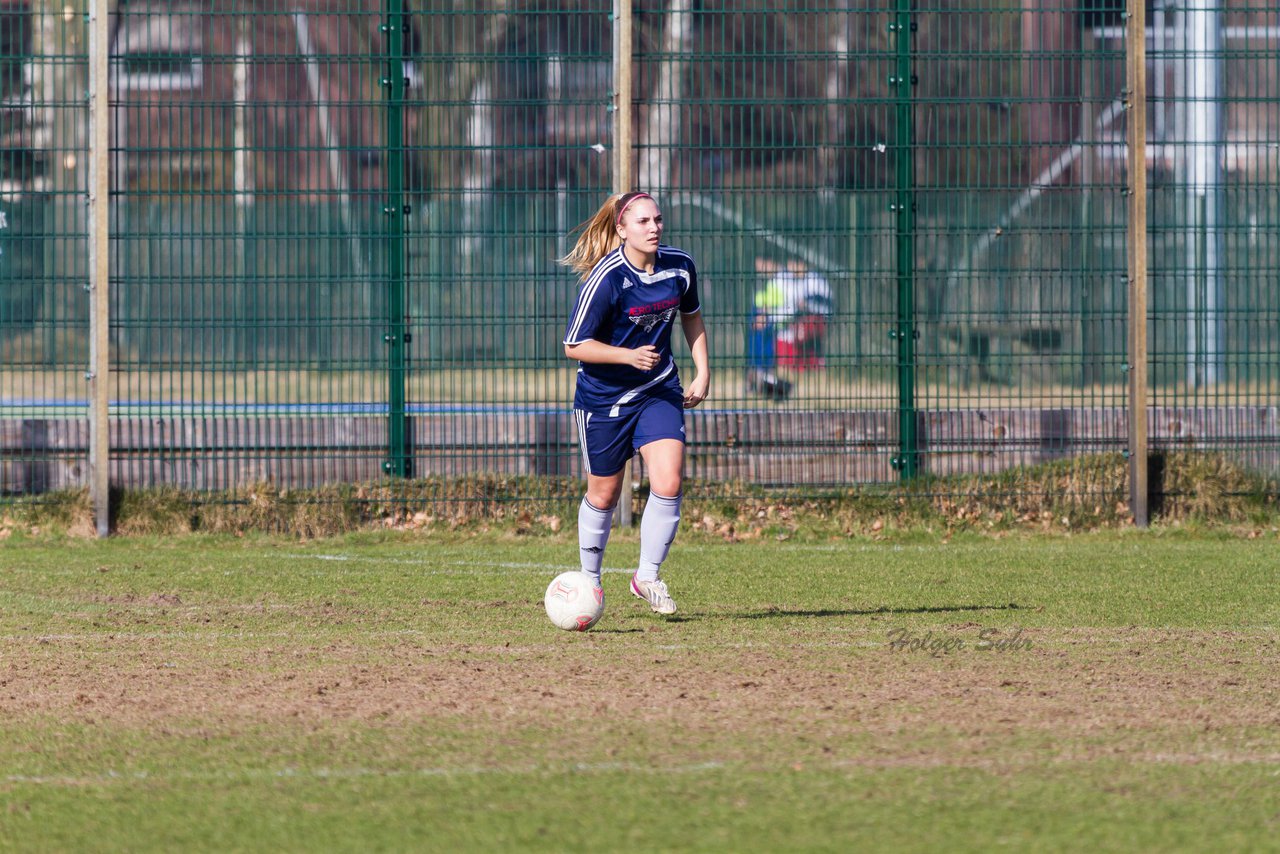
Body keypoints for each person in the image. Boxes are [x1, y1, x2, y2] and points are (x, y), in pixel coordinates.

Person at [560, 191, 710, 615]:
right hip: (604, 398)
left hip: (658, 389)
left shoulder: (679, 267)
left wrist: (702, 370)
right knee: (604, 494)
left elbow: (692, 315)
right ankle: (590, 582)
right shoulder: (606, 278)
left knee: (669, 480)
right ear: (622, 230)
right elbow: (574, 345)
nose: (654, 228)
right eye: (643, 222)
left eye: (658, 220)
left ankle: (647, 576)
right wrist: (627, 355)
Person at [745, 256, 792, 401]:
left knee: (763, 352)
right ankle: (756, 382)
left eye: (762, 264)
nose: (759, 268)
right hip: (761, 314)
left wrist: (765, 315)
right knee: (755, 350)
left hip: (769, 318)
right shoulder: (766, 279)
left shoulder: (781, 279)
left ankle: (765, 383)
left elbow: (780, 301)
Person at [775, 259, 832, 371]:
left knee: (809, 339)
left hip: (815, 318)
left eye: (793, 264)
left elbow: (825, 301)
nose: (791, 268)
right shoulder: (791, 280)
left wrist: (807, 303)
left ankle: (816, 365)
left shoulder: (814, 279)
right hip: (797, 320)